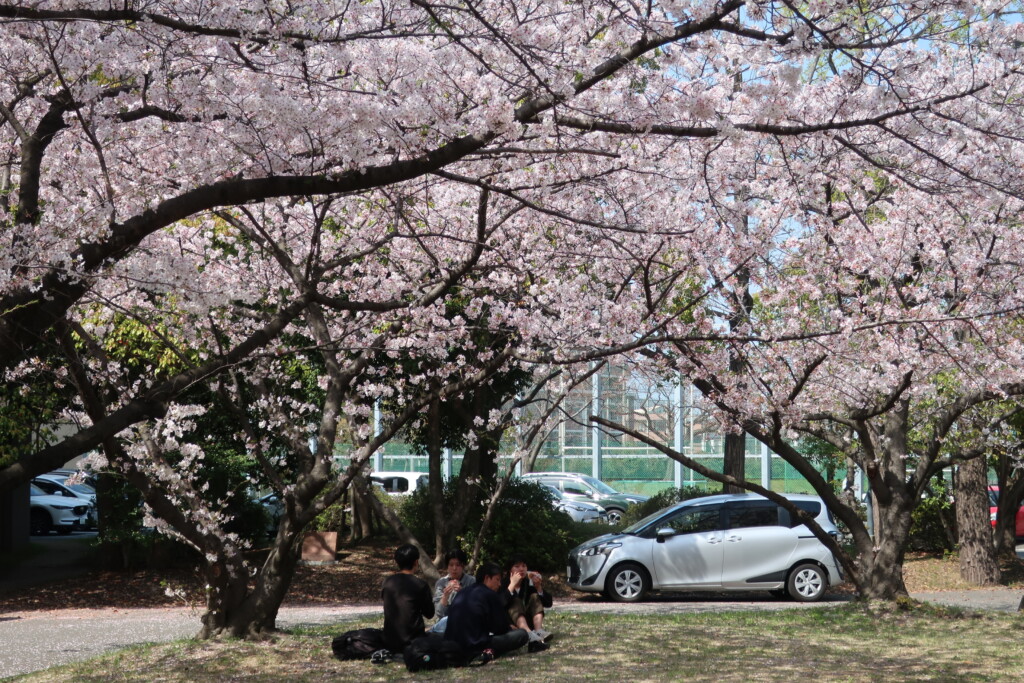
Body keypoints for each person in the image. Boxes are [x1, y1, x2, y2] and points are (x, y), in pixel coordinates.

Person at [443, 561, 537, 662]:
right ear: (487, 578)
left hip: (452, 644)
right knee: (522, 634)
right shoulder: (489, 594)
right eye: (497, 580)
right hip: (475, 645)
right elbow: (500, 628)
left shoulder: (462, 592)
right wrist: (510, 628)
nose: (499, 584)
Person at [381, 543, 435, 654]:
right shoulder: (420, 585)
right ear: (416, 562)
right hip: (413, 642)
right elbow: (429, 614)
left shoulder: (387, 582)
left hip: (390, 642)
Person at [502, 553, 553, 643]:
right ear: (510, 570)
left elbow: (548, 603)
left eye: (524, 566)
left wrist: (538, 587)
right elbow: (500, 604)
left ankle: (538, 631)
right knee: (515, 601)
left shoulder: (528, 582)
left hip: (528, 621)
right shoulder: (503, 584)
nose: (521, 569)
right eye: (517, 566)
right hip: (511, 624)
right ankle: (529, 634)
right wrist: (512, 585)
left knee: (534, 596)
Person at [429, 548, 476, 633]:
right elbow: (439, 613)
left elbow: (475, 608)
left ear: (463, 566)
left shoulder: (472, 581)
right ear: (447, 566)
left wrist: (463, 593)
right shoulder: (441, 583)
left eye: (458, 565)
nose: (454, 568)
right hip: (445, 624)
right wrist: (445, 596)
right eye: (451, 565)